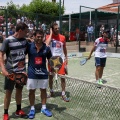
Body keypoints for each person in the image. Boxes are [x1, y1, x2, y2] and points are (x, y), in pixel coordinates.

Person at [0, 22, 28, 120]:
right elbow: (1, 55)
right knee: (8, 92)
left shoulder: (25, 41)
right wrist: (3, 69)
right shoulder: (7, 41)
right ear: (20, 30)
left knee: (19, 91)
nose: (26, 33)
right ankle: (6, 113)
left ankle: (18, 110)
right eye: (25, 31)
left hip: (22, 72)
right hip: (11, 72)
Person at [27, 29, 52, 119]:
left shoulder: (47, 48)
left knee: (43, 90)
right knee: (32, 91)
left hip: (43, 73)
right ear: (34, 37)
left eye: (41, 37)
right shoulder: (29, 46)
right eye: (38, 36)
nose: (40, 38)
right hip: (32, 73)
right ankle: (32, 109)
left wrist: (52, 69)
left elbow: (50, 60)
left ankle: (44, 108)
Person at [45, 22, 69, 102]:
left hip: (61, 60)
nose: (58, 29)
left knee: (62, 77)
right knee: (50, 77)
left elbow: (65, 48)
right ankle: (51, 91)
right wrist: (51, 34)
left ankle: (63, 93)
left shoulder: (62, 37)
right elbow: (46, 44)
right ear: (52, 29)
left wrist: (66, 58)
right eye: (55, 28)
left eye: (58, 28)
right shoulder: (48, 37)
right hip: (51, 60)